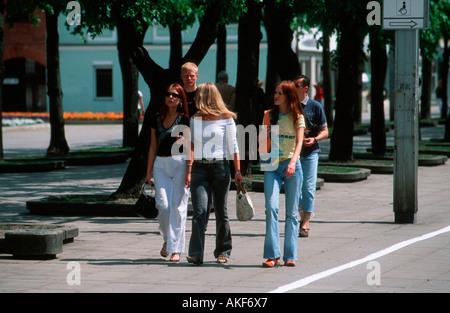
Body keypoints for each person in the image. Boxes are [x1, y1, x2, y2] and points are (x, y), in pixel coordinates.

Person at [186, 82, 243, 265]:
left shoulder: (226, 118)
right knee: (200, 211)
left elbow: (234, 145)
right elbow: (192, 146)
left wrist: (238, 171)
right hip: (199, 169)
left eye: (197, 95)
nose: (194, 98)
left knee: (221, 211)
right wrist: (188, 169)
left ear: (205, 97)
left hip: (220, 167)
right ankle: (196, 254)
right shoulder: (194, 118)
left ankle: (223, 250)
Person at [260, 80, 305, 268]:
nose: (276, 96)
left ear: (289, 96)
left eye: (280, 93)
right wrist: (266, 135)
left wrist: (293, 162)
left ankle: (290, 256)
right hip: (272, 166)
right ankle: (272, 255)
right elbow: (262, 148)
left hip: (292, 165)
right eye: (275, 92)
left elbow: (300, 143)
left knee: (292, 214)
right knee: (271, 208)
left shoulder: (298, 117)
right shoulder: (269, 116)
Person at [145, 83, 191, 262]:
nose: (170, 97)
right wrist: (148, 173)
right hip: (161, 165)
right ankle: (167, 241)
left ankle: (177, 249)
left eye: (174, 95)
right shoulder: (156, 118)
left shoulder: (185, 119)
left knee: (178, 207)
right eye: (167, 94)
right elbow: (153, 146)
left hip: (180, 164)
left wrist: (189, 170)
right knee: (163, 206)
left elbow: (189, 147)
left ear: (180, 99)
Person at [294, 75, 328, 238]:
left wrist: (314, 139)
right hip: (293, 154)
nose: (293, 87)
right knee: (297, 190)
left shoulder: (315, 106)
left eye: (297, 85)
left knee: (308, 187)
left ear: (305, 88)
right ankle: (302, 218)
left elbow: (325, 131)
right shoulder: (290, 105)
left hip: (310, 152)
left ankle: (305, 223)